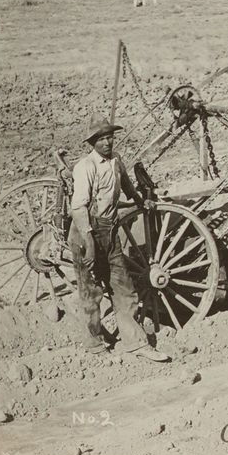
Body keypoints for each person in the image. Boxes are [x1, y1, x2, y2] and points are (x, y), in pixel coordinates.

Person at [68, 120, 170, 361]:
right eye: (101, 139)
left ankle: (135, 343)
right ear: (93, 143)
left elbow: (126, 185)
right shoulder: (86, 166)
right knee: (90, 291)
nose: (107, 142)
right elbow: (78, 207)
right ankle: (94, 343)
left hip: (110, 230)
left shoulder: (116, 161)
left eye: (110, 137)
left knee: (123, 286)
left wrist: (138, 200)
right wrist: (90, 243)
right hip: (86, 232)